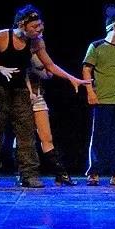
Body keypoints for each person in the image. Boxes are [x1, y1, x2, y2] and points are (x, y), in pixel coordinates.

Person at [0, 4, 89, 188]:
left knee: (26, 133)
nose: (39, 30)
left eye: (40, 26)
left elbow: (50, 65)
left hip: (20, 90)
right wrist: (0, 69)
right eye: (35, 26)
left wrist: (72, 79)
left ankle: (29, 175)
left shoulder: (36, 42)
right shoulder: (1, 36)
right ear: (22, 24)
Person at [82, 13, 115, 186]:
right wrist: (90, 92)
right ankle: (94, 172)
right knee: (100, 136)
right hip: (103, 99)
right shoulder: (96, 46)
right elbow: (86, 69)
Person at [26, 52, 77, 185]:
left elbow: (48, 74)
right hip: (20, 97)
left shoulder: (37, 51)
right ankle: (24, 174)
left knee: (46, 137)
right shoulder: (18, 52)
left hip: (37, 97)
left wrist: (41, 65)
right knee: (24, 139)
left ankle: (61, 173)